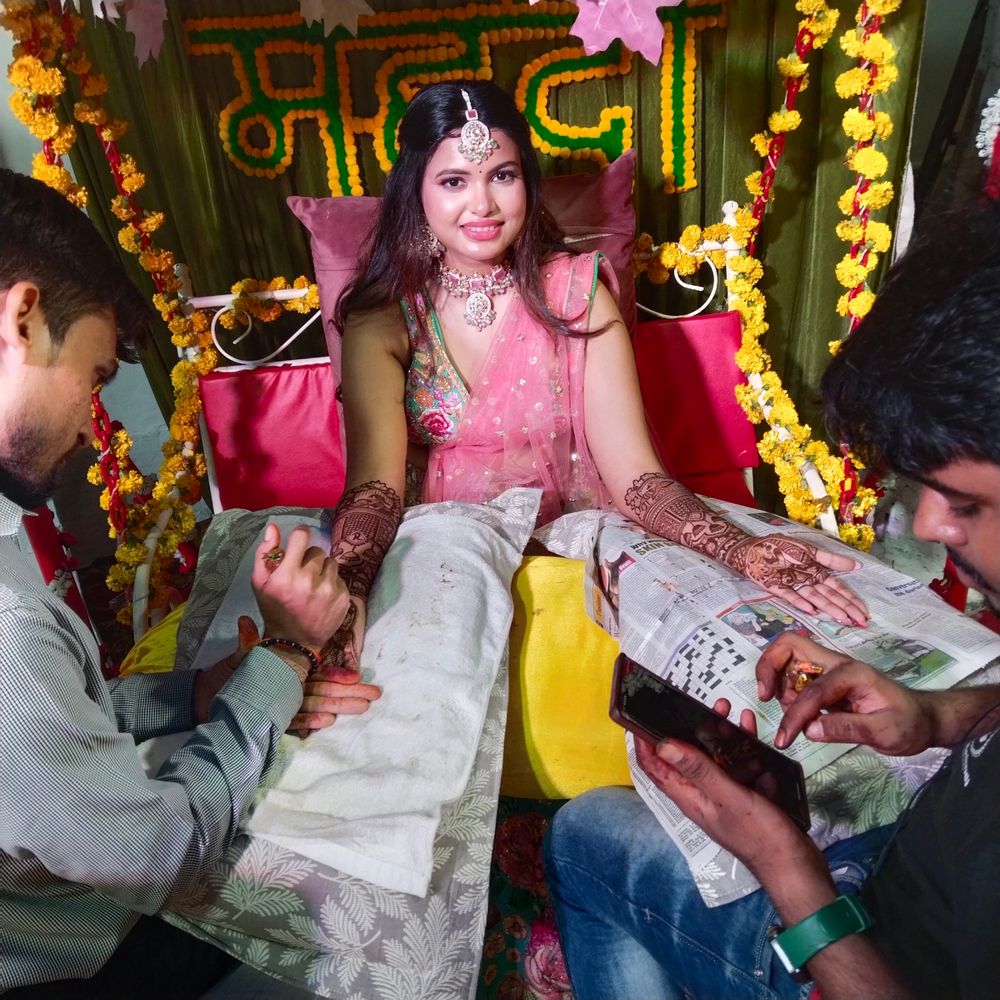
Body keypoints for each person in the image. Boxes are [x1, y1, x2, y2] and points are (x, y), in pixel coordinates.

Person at [544, 200, 1000, 1000]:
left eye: (967, 504)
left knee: (584, 836)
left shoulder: (583, 295)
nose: (930, 524)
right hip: (906, 870)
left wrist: (785, 867)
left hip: (860, 952)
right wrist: (936, 716)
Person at [324, 79, 867, 672]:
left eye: (501, 176)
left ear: (526, 181)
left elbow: (634, 476)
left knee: (740, 646)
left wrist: (738, 547)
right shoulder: (384, 318)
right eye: (454, 181)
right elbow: (376, 486)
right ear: (416, 192)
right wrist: (347, 585)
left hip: (577, 537)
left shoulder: (577, 292)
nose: (481, 205)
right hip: (448, 550)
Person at [0, 169, 376, 997]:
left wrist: (195, 694)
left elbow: (44, 728)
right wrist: (283, 651)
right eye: (94, 379)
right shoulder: (9, 630)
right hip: (71, 967)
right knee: (341, 923)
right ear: (22, 320)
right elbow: (157, 854)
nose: (90, 428)